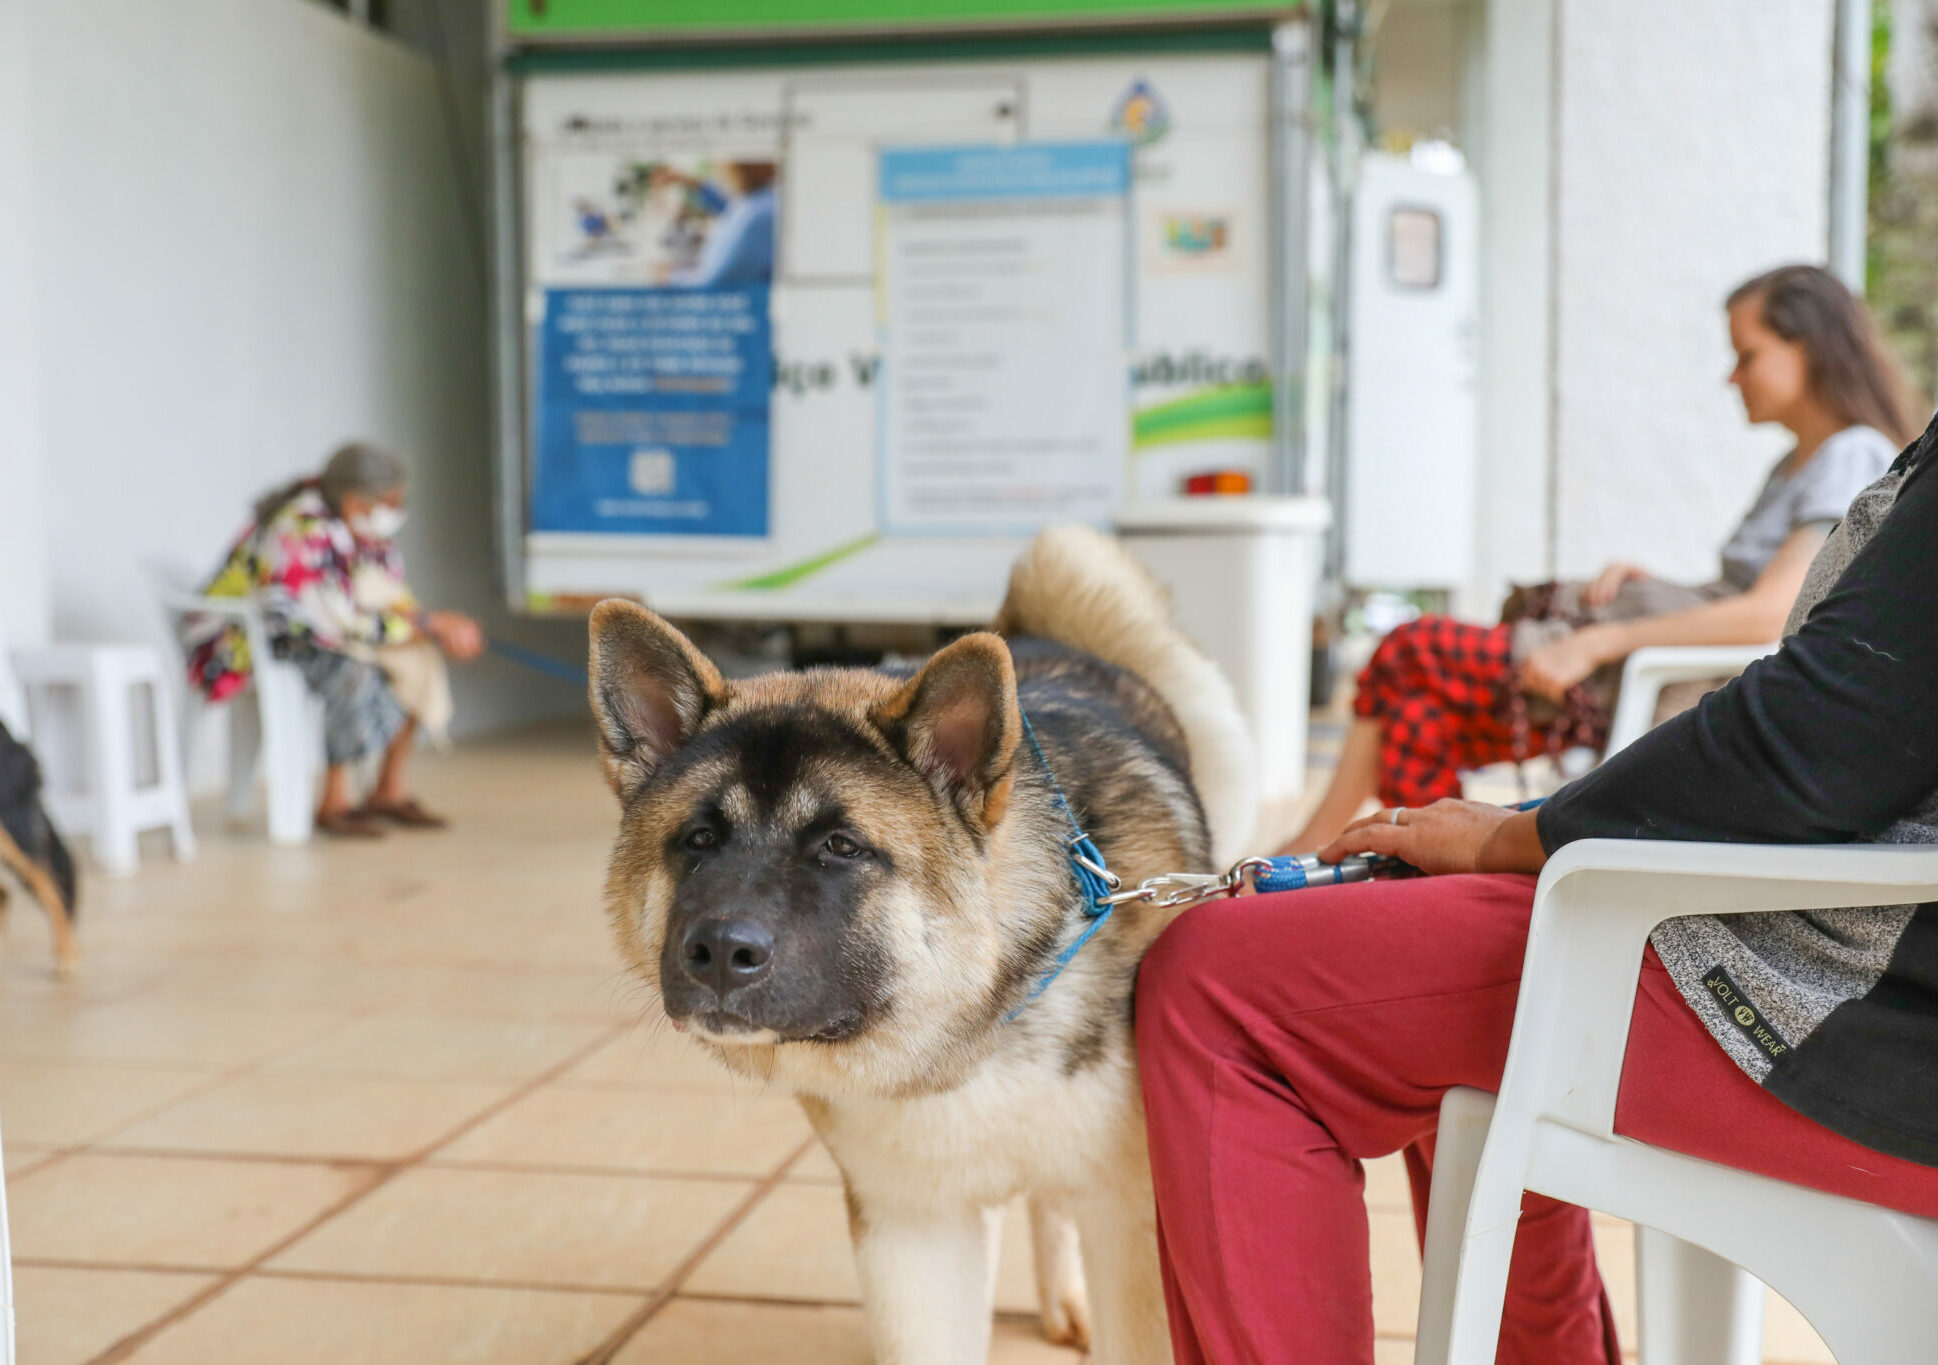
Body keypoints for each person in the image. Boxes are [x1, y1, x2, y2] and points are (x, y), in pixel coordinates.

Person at [1134, 410, 1938, 1363]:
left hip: (1850, 1016)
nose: (1732, 375)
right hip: (1844, 970)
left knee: (1219, 988)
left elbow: (1814, 743)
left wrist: (1521, 834)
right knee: (1400, 940)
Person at [1286, 264, 1920, 852]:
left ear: (1808, 348)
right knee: (1418, 718)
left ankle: (1307, 847)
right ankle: (1397, 872)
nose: (1732, 377)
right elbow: (1750, 591)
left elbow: (1766, 617)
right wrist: (1658, 585)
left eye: (1746, 355)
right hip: (1649, 668)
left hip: (1670, 685)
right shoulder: (1799, 463)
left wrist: (1598, 641)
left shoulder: (1852, 455)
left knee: (1410, 649)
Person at [187, 442, 484, 838]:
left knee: (417, 656)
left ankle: (389, 791)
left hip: (320, 631)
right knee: (352, 670)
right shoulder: (301, 527)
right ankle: (335, 801)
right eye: (387, 501)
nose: (394, 511)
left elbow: (391, 597)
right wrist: (430, 623)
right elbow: (337, 624)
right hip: (255, 638)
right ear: (353, 499)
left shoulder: (359, 530)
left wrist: (436, 630)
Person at [652, 161, 776, 288]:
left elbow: (713, 283)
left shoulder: (759, 215)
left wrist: (670, 277)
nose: (720, 172)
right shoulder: (758, 201)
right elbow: (729, 209)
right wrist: (691, 182)